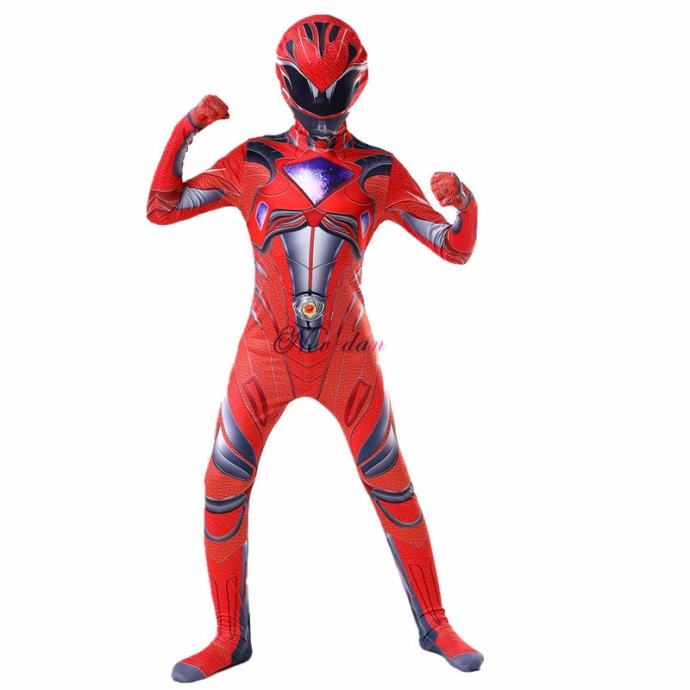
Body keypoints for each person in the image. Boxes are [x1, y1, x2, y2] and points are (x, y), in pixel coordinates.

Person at [147, 14, 482, 682]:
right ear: (288, 82)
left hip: (342, 358)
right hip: (275, 357)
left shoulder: (375, 171)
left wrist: (465, 203)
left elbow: (454, 249)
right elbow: (161, 208)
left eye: (334, 89)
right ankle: (228, 636)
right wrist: (185, 128)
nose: (323, 106)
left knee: (390, 483)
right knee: (224, 484)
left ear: (357, 84)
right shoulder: (255, 161)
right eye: (313, 89)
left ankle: (436, 624)